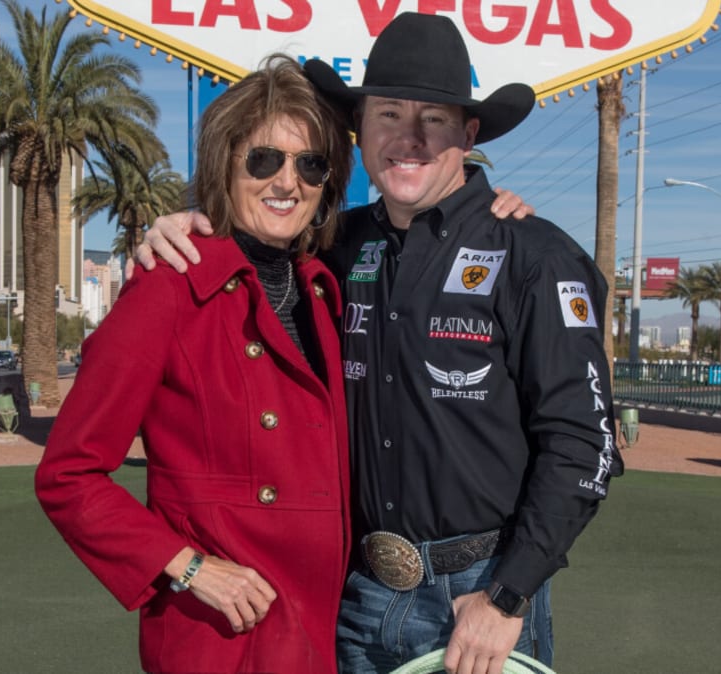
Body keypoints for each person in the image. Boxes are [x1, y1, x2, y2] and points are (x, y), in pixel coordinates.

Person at [139, 13, 623, 674]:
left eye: (435, 118)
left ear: (469, 133)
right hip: (356, 596)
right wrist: (178, 227)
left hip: (476, 600)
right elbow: (251, 231)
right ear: (359, 130)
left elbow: (584, 448)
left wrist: (507, 598)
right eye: (389, 115)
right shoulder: (334, 245)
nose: (410, 139)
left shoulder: (534, 255)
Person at [34, 55, 355, 674]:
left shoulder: (325, 289)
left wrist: (494, 209)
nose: (287, 181)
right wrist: (188, 567)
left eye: (309, 163)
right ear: (225, 166)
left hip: (326, 630)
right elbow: (68, 475)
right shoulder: (171, 285)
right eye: (264, 159)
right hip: (227, 634)